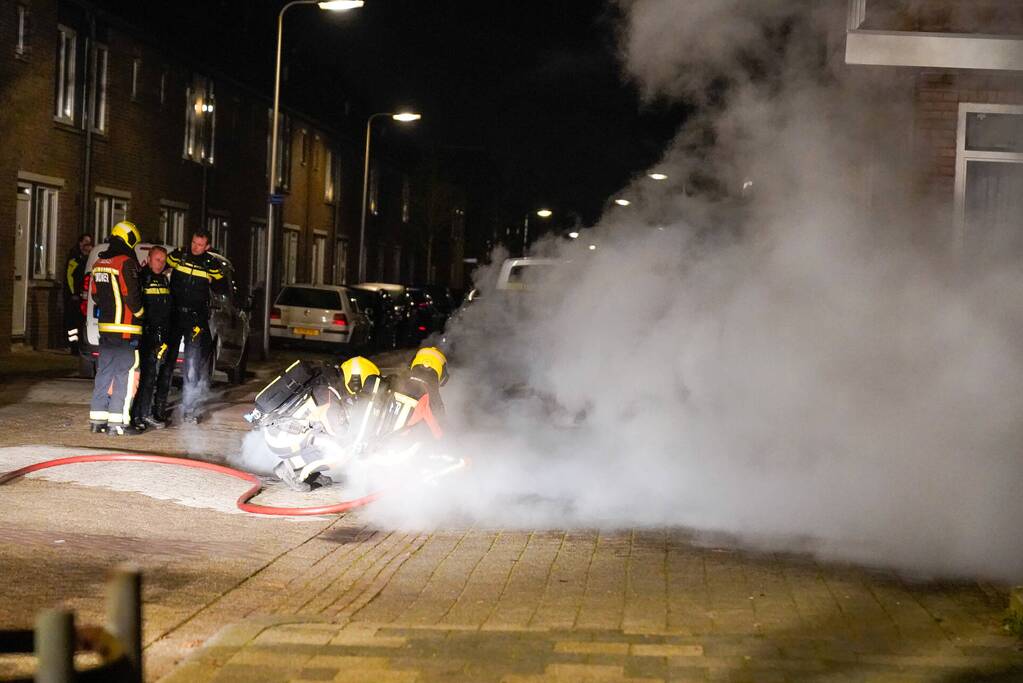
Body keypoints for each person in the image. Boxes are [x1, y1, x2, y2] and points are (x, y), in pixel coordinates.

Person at [163, 231, 226, 424]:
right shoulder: (179, 255)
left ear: (207, 247)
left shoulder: (211, 264)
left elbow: (221, 288)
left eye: (200, 244)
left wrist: (213, 281)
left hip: (196, 319)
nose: (195, 247)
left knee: (191, 365)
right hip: (174, 315)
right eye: (193, 242)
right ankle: (159, 407)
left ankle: (189, 409)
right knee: (166, 361)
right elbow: (161, 268)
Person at [88, 222, 144, 436]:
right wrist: (141, 314)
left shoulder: (98, 263)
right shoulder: (126, 262)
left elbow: (95, 295)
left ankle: (97, 420)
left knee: (104, 372)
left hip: (106, 329)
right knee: (125, 374)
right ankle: (119, 423)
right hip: (126, 329)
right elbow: (132, 296)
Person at [131, 245, 173, 430]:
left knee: (152, 376)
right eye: (157, 260)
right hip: (146, 335)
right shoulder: (142, 278)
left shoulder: (164, 280)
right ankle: (139, 415)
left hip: (160, 336)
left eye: (163, 261)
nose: (160, 264)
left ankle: (145, 413)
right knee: (145, 377)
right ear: (148, 259)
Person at [63, 233, 93, 354]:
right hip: (75, 298)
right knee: (73, 323)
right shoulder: (74, 259)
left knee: (82, 322)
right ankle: (73, 347)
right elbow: (69, 278)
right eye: (86, 242)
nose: (88, 246)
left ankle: (80, 345)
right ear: (80, 244)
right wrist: (73, 294)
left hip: (85, 297)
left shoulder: (88, 260)